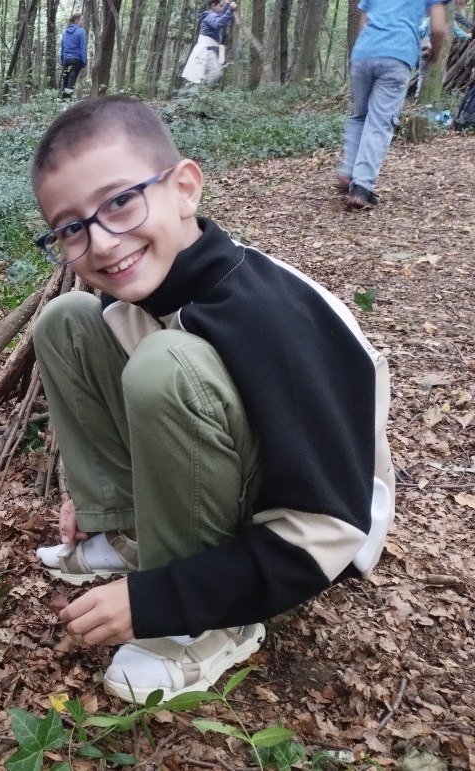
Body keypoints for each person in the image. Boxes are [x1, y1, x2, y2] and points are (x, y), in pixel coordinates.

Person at [29, 96, 393, 704]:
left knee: (165, 364)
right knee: (66, 320)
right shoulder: (149, 289)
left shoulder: (266, 317)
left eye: (119, 202)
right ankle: (130, 532)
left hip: (307, 531)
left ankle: (209, 626)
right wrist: (96, 495)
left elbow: (328, 529)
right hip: (228, 481)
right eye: (72, 228)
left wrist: (160, 600)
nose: (102, 242)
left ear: (184, 189)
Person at [337, 0, 447, 208]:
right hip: (397, 55)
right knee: (379, 121)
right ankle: (361, 186)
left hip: (362, 54)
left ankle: (348, 172)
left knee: (359, 116)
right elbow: (439, 28)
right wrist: (434, 55)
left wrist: (368, 47)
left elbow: (364, 22)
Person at [181, 0, 238, 87]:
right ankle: (200, 90)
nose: (222, 8)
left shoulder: (212, 15)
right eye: (221, 6)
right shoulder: (210, 15)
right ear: (214, 5)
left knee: (206, 74)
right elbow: (219, 23)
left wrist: (227, 5)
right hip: (207, 50)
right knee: (214, 72)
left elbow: (222, 16)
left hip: (210, 49)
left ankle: (200, 90)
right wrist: (230, 9)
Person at [59, 14, 88, 98]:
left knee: (65, 83)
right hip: (76, 59)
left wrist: (62, 60)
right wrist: (84, 62)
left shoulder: (65, 32)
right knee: (71, 83)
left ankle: (63, 101)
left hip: (66, 59)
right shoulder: (81, 31)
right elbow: (83, 47)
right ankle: (67, 102)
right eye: (82, 20)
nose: (84, 21)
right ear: (76, 21)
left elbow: (62, 48)